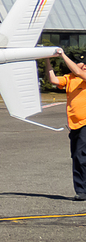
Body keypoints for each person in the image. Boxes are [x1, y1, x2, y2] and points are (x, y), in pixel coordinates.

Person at [45, 48, 86, 201]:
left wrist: (62, 55)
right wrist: (47, 60)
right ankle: (81, 190)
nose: (84, 66)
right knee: (76, 156)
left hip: (85, 124)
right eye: (82, 63)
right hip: (74, 124)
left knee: (81, 155)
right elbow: (53, 80)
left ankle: (83, 190)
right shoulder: (70, 78)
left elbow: (80, 72)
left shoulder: (84, 76)